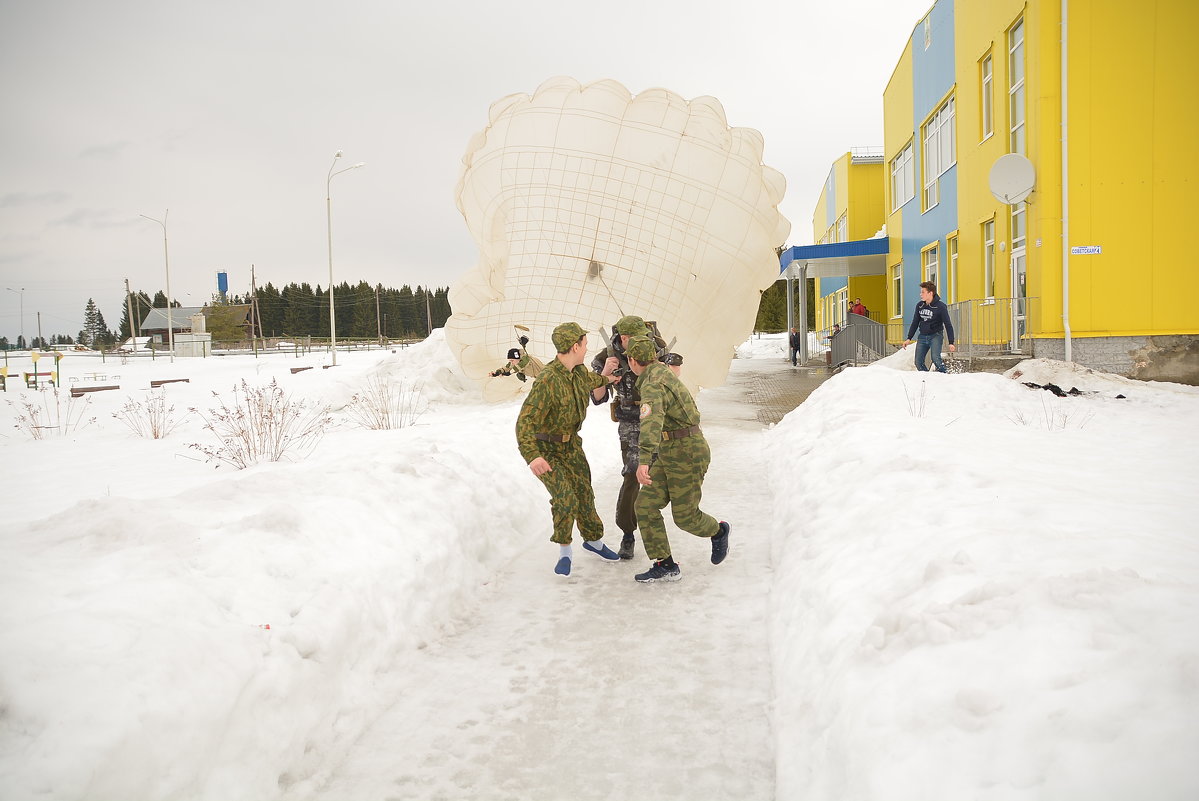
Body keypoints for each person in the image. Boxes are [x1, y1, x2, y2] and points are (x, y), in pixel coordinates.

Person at [516, 322, 622, 576]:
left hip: (571, 445)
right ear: (575, 346)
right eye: (585, 344)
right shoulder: (547, 381)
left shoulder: (578, 371)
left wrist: (609, 377)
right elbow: (525, 422)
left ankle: (593, 541)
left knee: (584, 493)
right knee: (565, 498)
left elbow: (592, 380)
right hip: (546, 449)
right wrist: (533, 456)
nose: (587, 349)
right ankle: (565, 551)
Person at [625, 334, 729, 583]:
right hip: (670, 449)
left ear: (631, 360)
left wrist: (643, 460)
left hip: (687, 452)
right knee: (646, 505)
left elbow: (651, 420)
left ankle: (719, 530)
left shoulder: (652, 384)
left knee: (685, 518)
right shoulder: (658, 371)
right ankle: (665, 563)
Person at [589, 315, 672, 560]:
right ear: (624, 339)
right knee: (633, 472)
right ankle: (628, 532)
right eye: (636, 338)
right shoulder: (605, 357)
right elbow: (597, 398)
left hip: (658, 415)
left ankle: (658, 527)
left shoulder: (656, 347)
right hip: (630, 420)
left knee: (661, 474)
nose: (642, 341)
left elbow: (674, 377)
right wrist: (605, 375)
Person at [902, 281, 956, 372]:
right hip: (922, 336)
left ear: (930, 293)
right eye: (921, 292)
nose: (920, 294)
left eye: (923, 292)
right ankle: (928, 378)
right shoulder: (920, 305)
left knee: (935, 359)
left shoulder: (941, 307)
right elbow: (915, 322)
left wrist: (951, 342)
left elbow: (948, 324)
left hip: (936, 335)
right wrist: (908, 338)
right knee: (918, 362)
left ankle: (945, 377)